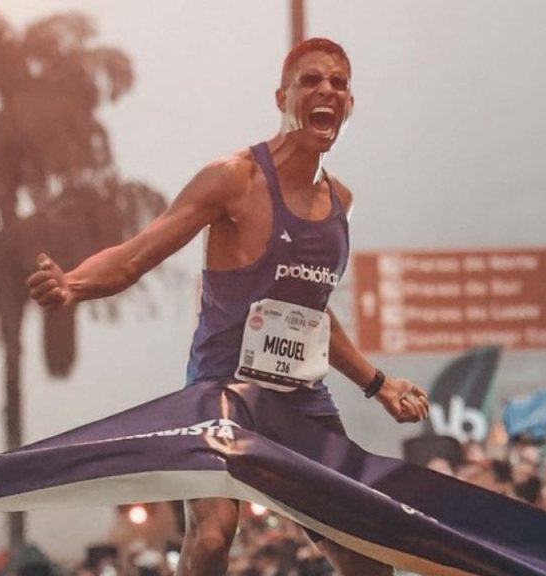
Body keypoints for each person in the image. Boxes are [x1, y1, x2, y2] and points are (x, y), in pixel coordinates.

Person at [27, 37, 430, 576]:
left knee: (368, 563)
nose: (326, 91)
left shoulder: (341, 204)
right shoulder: (234, 179)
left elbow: (313, 314)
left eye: (339, 83)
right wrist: (73, 285)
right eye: (310, 81)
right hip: (222, 391)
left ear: (350, 105)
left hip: (301, 401)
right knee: (214, 535)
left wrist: (378, 385)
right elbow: (134, 256)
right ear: (282, 96)